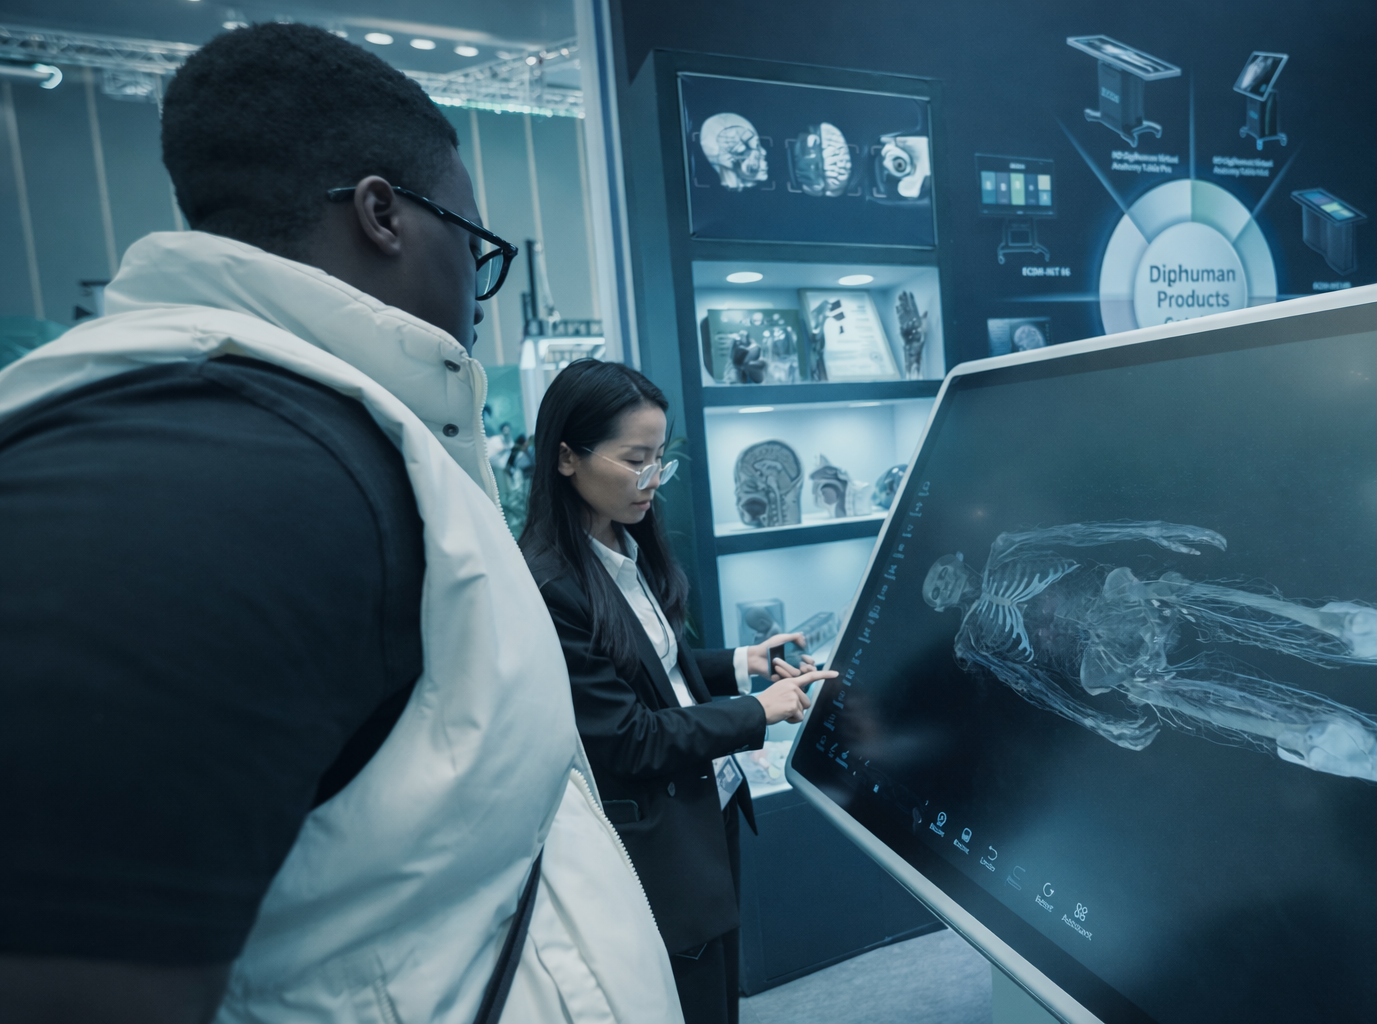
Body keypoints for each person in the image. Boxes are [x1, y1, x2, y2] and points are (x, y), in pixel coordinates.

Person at [0, 23, 678, 1024]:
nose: (478, 294)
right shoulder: (212, 472)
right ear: (383, 214)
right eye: (475, 247)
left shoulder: (313, 437)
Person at [520, 359, 838, 1024]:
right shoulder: (550, 584)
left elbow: (648, 665)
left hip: (703, 809)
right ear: (567, 458)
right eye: (635, 460)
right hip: (657, 839)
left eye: (659, 458)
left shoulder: (620, 540)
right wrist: (756, 711)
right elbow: (628, 738)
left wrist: (742, 663)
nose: (652, 479)